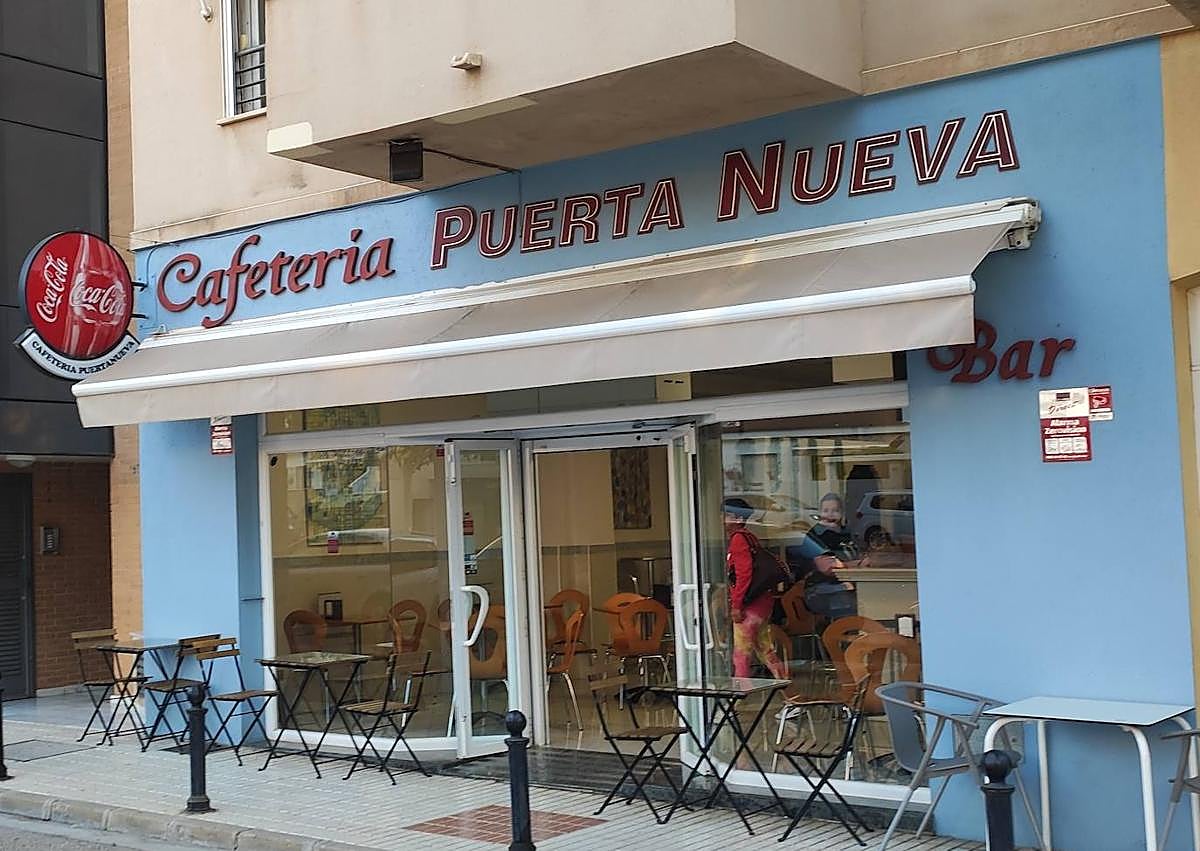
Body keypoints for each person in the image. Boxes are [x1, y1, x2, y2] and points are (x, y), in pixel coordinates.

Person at [724, 498, 788, 680]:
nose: (723, 519)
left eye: (726, 515)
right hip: (763, 602)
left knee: (741, 652)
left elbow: (744, 574)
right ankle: (783, 683)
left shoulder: (738, 540)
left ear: (737, 518)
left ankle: (740, 694)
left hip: (750, 604)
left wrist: (737, 605)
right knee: (765, 648)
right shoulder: (750, 537)